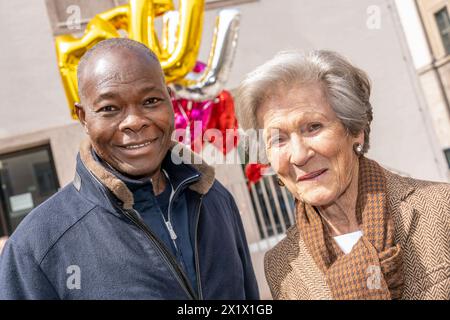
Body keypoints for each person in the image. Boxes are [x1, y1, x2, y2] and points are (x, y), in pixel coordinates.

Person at [0, 38, 259, 300]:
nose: (134, 121)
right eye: (109, 108)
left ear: (170, 100)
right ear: (83, 117)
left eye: (150, 101)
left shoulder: (215, 200)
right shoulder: (36, 247)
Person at [235, 50, 450, 300]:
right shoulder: (281, 266)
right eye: (278, 139)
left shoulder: (441, 208)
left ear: (355, 130)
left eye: (313, 127)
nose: (299, 155)